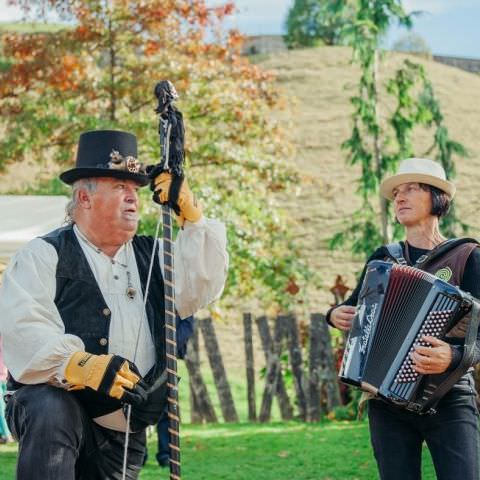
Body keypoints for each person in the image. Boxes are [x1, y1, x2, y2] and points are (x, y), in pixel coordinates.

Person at [0, 130, 228, 479]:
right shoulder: (43, 254)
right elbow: (23, 326)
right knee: (51, 407)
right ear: (84, 198)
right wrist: (81, 364)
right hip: (57, 414)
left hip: (124, 430)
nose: (133, 198)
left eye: (135, 190)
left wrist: (192, 220)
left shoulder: (153, 256)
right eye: (120, 188)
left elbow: (200, 286)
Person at [327, 157, 480, 480]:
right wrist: (334, 314)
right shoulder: (383, 258)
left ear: (438, 198)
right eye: (397, 192)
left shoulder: (468, 256)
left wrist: (452, 355)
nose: (400, 197)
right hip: (386, 400)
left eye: (411, 189)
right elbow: (354, 307)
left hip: (448, 397)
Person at [0, 335, 12, 444]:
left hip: (2, 378)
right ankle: (7, 434)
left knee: (1, 408)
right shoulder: (6, 338)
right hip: (5, 377)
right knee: (4, 407)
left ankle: (6, 435)